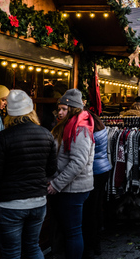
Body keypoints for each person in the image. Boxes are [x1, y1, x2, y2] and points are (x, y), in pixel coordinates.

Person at [0, 90, 57, 258]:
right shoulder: (46, 135)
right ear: (31, 110)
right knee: (33, 247)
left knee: (11, 252)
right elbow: (51, 169)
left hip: (10, 204)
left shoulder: (3, 137)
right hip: (38, 202)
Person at [49, 89, 95, 259]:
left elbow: (78, 162)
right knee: (70, 230)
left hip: (73, 189)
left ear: (73, 109)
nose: (60, 113)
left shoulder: (79, 129)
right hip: (69, 188)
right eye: (59, 109)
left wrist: (56, 184)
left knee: (73, 231)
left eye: (64, 109)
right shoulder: (69, 125)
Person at [82, 111, 112, 258]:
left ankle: (89, 246)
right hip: (103, 170)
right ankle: (97, 244)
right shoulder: (103, 129)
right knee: (96, 208)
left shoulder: (88, 132)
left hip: (93, 171)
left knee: (89, 211)